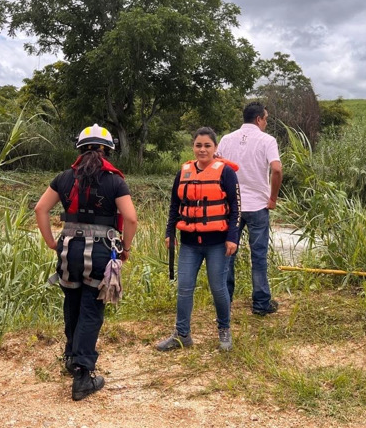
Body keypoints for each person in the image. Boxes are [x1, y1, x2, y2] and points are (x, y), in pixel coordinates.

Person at [35, 124, 137, 400]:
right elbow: (130, 218)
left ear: (80, 148)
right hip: (101, 250)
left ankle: (71, 356)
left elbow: (40, 209)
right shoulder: (114, 180)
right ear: (107, 150)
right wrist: (125, 247)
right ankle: (83, 373)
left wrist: (51, 242)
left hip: (68, 249)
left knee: (73, 302)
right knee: (92, 307)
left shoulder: (64, 178)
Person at [156, 127, 240, 352]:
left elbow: (235, 209)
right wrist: (169, 233)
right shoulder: (183, 172)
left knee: (218, 287)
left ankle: (224, 330)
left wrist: (233, 237)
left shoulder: (226, 173)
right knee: (184, 288)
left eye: (207, 146)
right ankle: (182, 334)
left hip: (218, 243)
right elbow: (175, 205)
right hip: (189, 243)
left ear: (215, 148)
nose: (202, 150)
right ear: (193, 146)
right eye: (198, 145)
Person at [217, 101, 282, 315]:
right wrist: (272, 198)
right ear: (258, 119)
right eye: (265, 119)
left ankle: (225, 301)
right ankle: (261, 304)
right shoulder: (267, 140)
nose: (265, 123)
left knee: (228, 253)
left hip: (230, 206)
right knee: (259, 255)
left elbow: (215, 166)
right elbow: (277, 169)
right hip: (257, 206)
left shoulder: (227, 139)